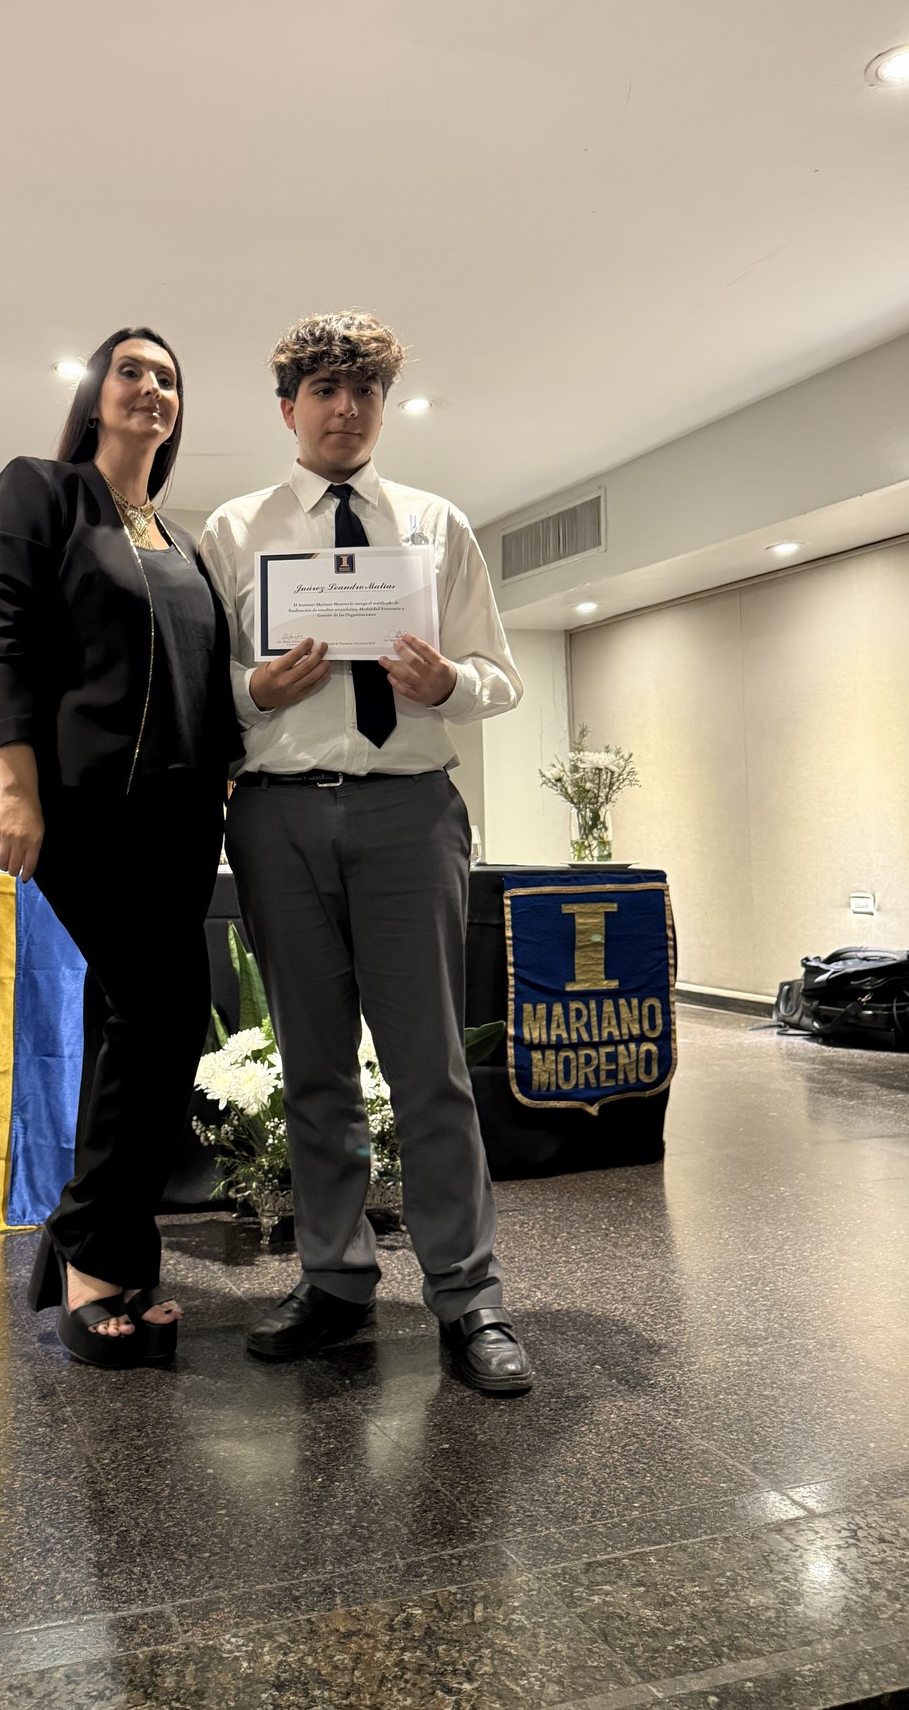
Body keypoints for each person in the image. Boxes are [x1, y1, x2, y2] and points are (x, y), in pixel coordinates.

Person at [200, 311, 534, 1394]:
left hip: (408, 814)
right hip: (277, 815)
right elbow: (202, 688)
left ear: (382, 406)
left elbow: (499, 675)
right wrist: (257, 688)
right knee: (312, 1065)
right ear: (287, 407)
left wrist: (449, 683)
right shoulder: (233, 529)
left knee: (430, 1065)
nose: (345, 409)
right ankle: (335, 1278)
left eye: (364, 391)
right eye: (324, 390)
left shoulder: (436, 524)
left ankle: (468, 1295)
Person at [0, 328, 239, 1368]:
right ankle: (90, 1252)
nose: (150, 388)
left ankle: (116, 1256)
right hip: (86, 808)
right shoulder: (44, 491)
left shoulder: (182, 540)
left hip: (183, 817)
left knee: (155, 1024)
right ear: (93, 394)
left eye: (167, 377)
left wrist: (226, 764)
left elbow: (206, 675)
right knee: (151, 1010)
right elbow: (4, 638)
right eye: (131, 370)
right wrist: (16, 786)